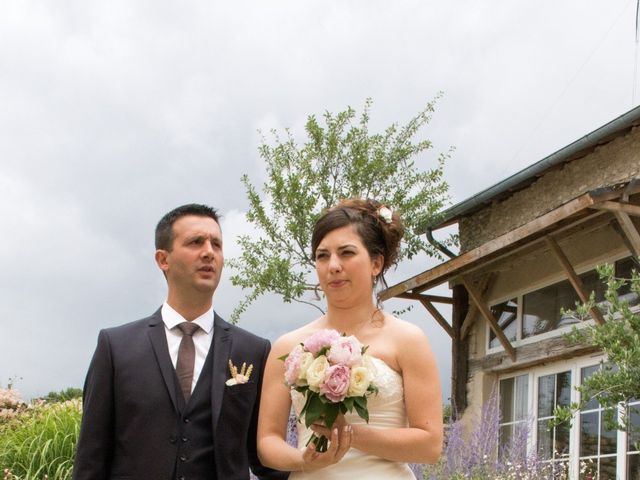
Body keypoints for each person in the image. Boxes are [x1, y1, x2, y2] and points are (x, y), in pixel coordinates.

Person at [73, 204, 288, 480]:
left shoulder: (254, 350)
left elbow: (265, 458)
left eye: (217, 244)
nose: (209, 252)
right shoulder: (115, 347)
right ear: (163, 259)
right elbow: (91, 457)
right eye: (196, 242)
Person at [256, 198, 443, 479]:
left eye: (346, 253)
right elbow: (267, 442)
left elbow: (429, 445)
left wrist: (349, 435)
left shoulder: (407, 340)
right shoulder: (288, 346)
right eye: (322, 256)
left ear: (376, 263)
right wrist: (304, 459)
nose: (333, 265)